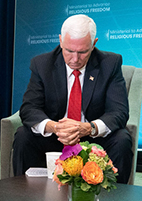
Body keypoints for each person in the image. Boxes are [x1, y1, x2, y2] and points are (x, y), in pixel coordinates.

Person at [13, 14, 132, 183]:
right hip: (56, 137)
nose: (75, 59)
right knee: (23, 136)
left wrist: (87, 128)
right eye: (69, 51)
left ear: (94, 44)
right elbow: (29, 108)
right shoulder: (42, 64)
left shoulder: (110, 63)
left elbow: (118, 111)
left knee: (122, 140)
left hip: (93, 139)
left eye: (83, 52)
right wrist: (55, 127)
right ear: (61, 41)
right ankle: (21, 197)